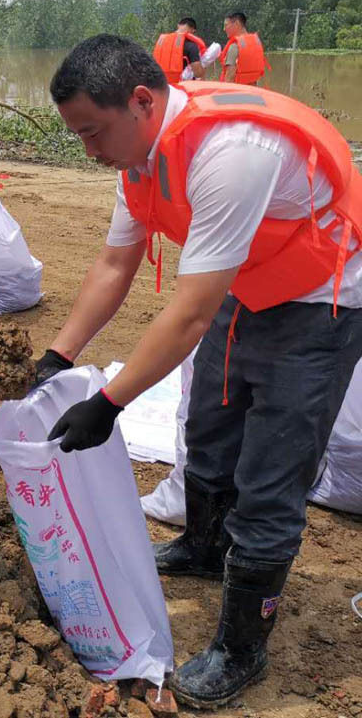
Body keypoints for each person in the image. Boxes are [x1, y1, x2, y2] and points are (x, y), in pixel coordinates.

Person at [35, 34, 362, 708]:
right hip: (248, 282)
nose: (91, 152)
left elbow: (186, 314)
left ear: (142, 100)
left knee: (272, 472)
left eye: (93, 132)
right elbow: (114, 264)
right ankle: (205, 547)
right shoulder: (142, 157)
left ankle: (242, 648)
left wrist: (110, 402)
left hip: (322, 296)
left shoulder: (232, 152)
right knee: (209, 425)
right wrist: (58, 355)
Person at [220, 11, 269, 84]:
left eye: (226, 25)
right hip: (251, 92)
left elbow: (230, 76)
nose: (224, 29)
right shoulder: (256, 44)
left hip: (236, 93)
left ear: (237, 23)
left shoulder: (234, 46)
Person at [152, 17, 206, 83]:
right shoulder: (191, 45)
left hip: (161, 84)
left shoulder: (162, 42)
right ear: (193, 30)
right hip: (180, 86)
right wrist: (204, 67)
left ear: (178, 25)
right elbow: (198, 73)